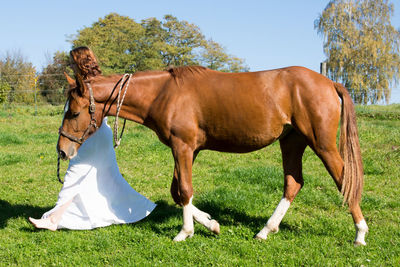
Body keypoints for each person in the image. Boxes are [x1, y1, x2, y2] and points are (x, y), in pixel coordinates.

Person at [29, 117, 156, 230]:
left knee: (75, 176)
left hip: (89, 137)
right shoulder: (81, 93)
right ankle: (139, 206)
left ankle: (53, 220)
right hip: (97, 136)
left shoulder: (85, 92)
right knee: (108, 177)